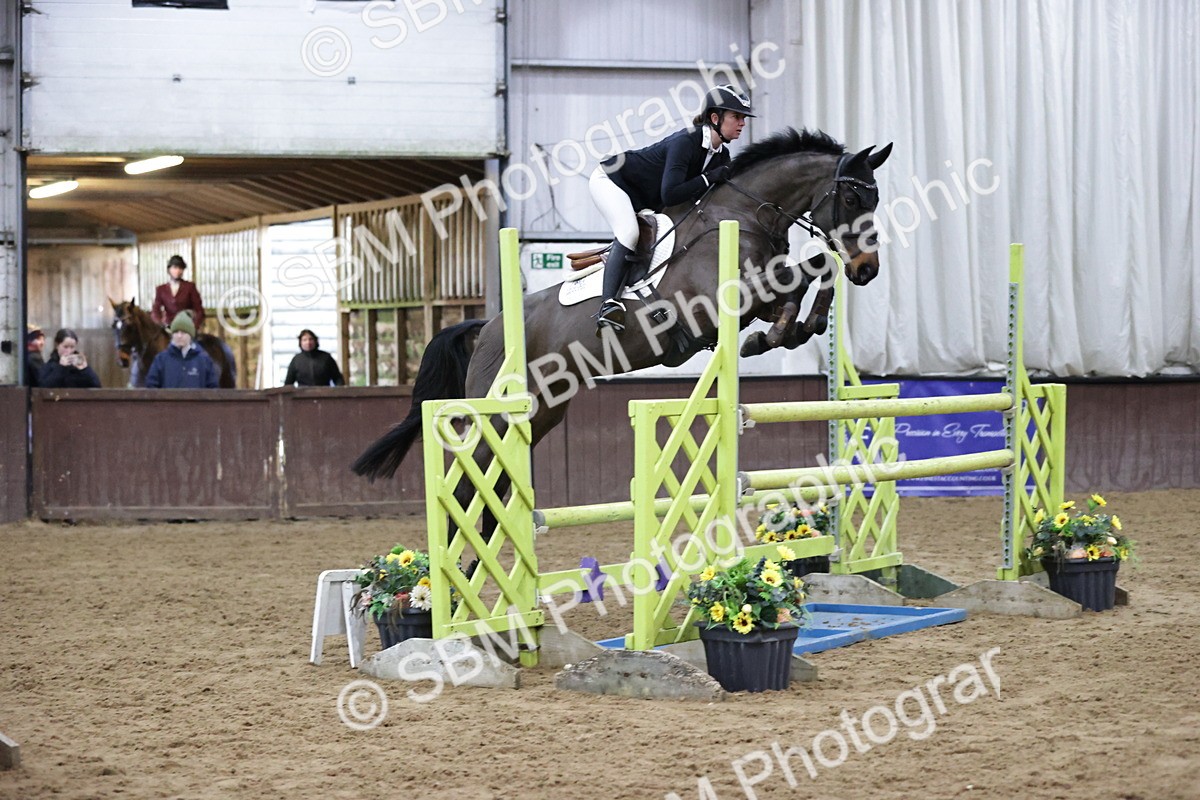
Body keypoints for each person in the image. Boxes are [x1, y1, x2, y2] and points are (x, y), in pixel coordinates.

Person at [589, 84, 754, 334]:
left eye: (743, 118)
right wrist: (710, 179)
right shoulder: (685, 142)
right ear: (714, 118)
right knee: (629, 233)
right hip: (612, 182)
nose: (742, 123)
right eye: (736, 116)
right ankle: (608, 305)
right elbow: (671, 193)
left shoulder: (722, 156)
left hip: (647, 199)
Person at [144, 311, 219, 389]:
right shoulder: (160, 360)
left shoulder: (204, 360)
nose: (179, 336)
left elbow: (213, 389)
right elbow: (151, 387)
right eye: (176, 332)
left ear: (190, 335)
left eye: (183, 332)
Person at [151, 254, 206, 332]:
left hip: (187, 325)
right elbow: (155, 309)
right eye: (175, 268)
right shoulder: (161, 289)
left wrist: (195, 326)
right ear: (169, 269)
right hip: (168, 326)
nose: (177, 271)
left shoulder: (190, 287)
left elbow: (199, 310)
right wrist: (160, 323)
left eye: (180, 268)